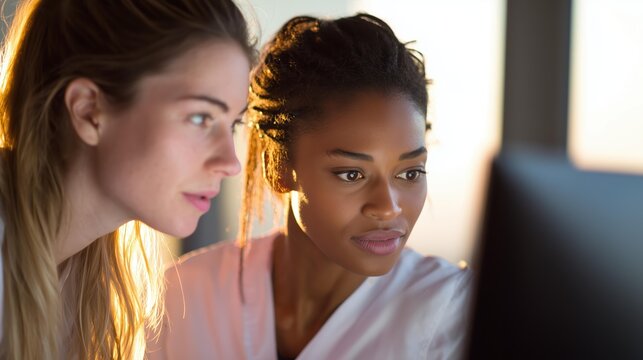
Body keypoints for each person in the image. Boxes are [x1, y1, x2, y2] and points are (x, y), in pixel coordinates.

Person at [150, 14, 471, 359]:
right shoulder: (183, 297)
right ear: (280, 167)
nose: (388, 207)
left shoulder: (459, 314)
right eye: (352, 174)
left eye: (409, 173)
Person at [0, 0, 254, 358]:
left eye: (233, 124)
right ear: (89, 111)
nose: (230, 163)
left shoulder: (84, 285)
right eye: (200, 118)